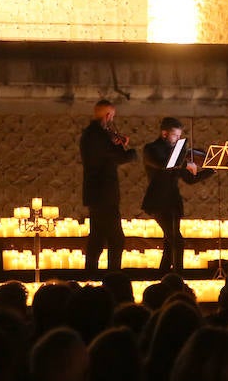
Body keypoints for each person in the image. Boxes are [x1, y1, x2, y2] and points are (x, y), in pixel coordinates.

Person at [141, 118, 214, 274]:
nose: (177, 139)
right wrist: (186, 163)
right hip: (157, 201)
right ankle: (178, 278)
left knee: (169, 243)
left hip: (173, 202)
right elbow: (164, 164)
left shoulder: (177, 155)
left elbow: (190, 179)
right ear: (164, 133)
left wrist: (212, 169)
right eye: (175, 135)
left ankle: (163, 277)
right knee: (177, 241)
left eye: (179, 136)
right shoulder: (151, 149)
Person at [80, 99, 137, 275]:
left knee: (97, 238)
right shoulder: (100, 136)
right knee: (116, 239)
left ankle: (90, 275)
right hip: (104, 194)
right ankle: (114, 277)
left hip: (94, 193)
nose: (112, 120)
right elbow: (116, 158)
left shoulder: (89, 134)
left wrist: (116, 143)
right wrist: (129, 151)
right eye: (112, 116)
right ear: (108, 115)